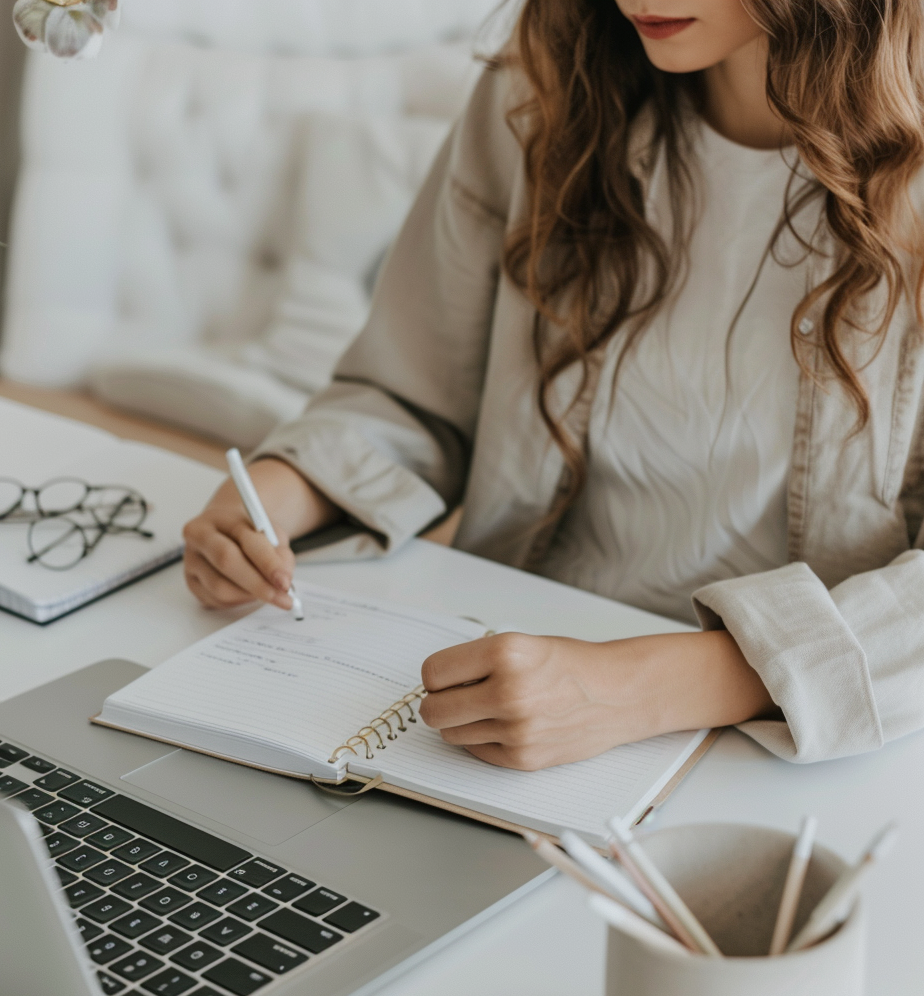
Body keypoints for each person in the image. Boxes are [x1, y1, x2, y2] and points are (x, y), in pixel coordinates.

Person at [183, 0, 924, 771]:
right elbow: (412, 395)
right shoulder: (540, 98)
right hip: (502, 693)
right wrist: (281, 492)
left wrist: (640, 687)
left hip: (788, 743)